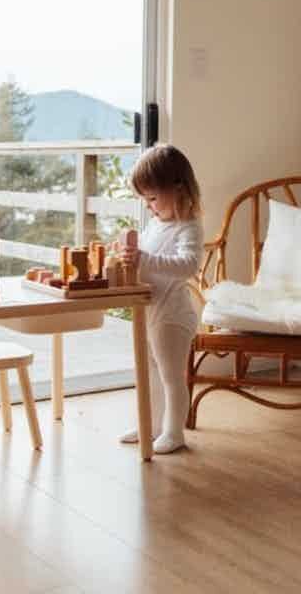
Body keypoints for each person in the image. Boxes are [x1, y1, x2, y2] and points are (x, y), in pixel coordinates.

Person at [116, 144, 203, 454]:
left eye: (153, 198)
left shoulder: (188, 227)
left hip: (172, 315)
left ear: (178, 189)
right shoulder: (156, 224)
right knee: (149, 372)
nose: (150, 207)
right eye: (145, 200)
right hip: (151, 312)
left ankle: (174, 432)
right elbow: (147, 261)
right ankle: (149, 424)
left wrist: (145, 259)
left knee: (171, 377)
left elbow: (188, 265)